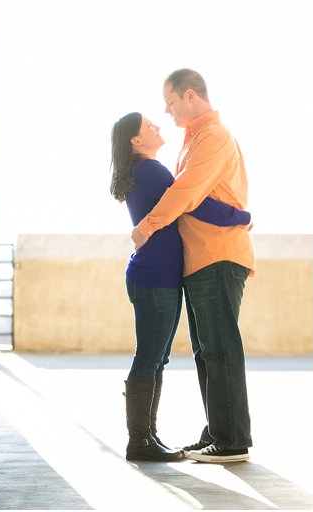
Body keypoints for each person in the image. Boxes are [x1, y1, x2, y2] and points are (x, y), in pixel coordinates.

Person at [111, 111, 251, 462]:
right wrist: (242, 217)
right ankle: (140, 441)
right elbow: (196, 203)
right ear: (136, 140)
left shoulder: (146, 171)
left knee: (156, 358)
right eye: (148, 126)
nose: (158, 126)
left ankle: (146, 438)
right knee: (151, 357)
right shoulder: (152, 171)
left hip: (158, 276)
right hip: (155, 277)